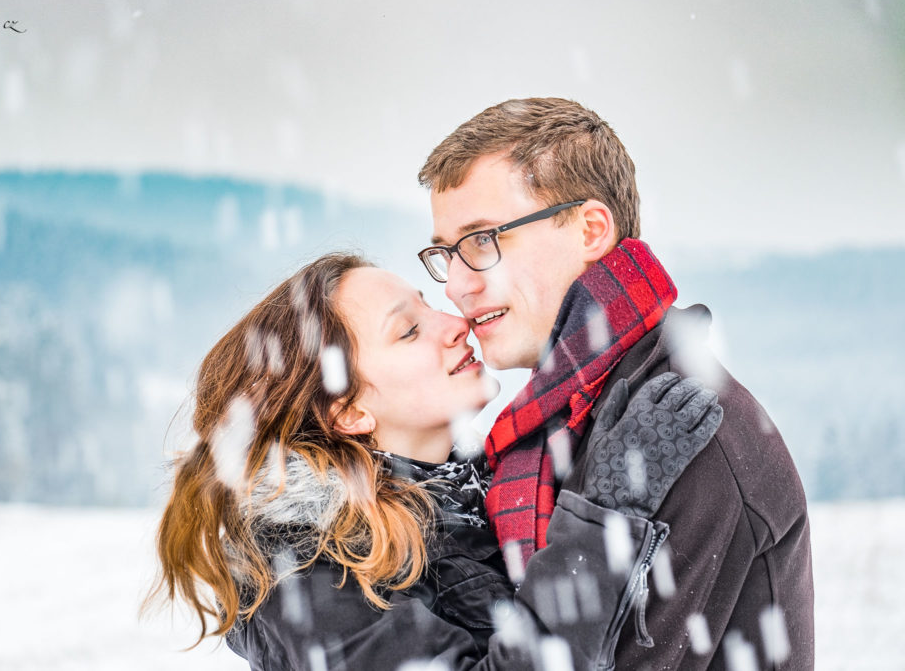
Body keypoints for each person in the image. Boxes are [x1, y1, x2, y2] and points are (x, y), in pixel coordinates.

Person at [147, 253, 724, 670]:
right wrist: (605, 514)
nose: (455, 324)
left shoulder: (489, 493)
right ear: (347, 411)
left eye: (428, 306)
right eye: (408, 331)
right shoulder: (308, 576)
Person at [416, 97, 814, 669]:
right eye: (445, 253)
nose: (456, 285)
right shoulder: (566, 420)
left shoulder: (682, 430)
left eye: (482, 241)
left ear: (591, 229)